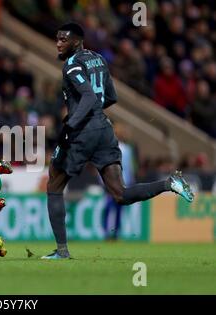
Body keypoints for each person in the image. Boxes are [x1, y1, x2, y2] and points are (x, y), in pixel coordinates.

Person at [43, 23, 194, 259]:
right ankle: (169, 183)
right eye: (57, 39)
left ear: (77, 42)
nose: (59, 43)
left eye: (64, 39)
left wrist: (71, 123)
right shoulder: (100, 60)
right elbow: (110, 96)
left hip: (82, 132)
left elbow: (89, 96)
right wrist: (92, 114)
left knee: (54, 185)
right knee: (119, 194)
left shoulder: (72, 64)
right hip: (104, 129)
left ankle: (61, 251)